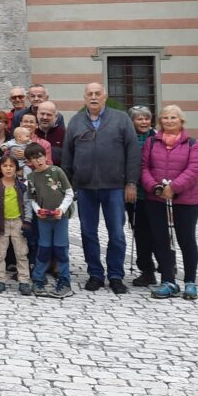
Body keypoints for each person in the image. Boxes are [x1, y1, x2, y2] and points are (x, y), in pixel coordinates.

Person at [62, 82, 139, 294]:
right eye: (90, 94)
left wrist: (131, 183)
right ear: (84, 98)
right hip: (86, 189)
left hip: (114, 187)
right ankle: (95, 274)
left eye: (98, 94)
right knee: (88, 233)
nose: (94, 97)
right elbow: (68, 156)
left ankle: (115, 275)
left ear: (105, 97)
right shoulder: (76, 121)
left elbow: (133, 152)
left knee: (116, 234)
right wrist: (69, 186)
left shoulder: (121, 119)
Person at [141, 105, 198, 300]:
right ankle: (168, 281)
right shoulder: (152, 142)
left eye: (173, 118)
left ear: (181, 121)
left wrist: (174, 187)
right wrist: (155, 187)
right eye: (165, 118)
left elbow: (194, 169)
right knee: (162, 241)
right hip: (157, 200)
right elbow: (144, 167)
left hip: (185, 201)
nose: (169, 121)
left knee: (186, 241)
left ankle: (190, 282)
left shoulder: (192, 144)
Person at [26, 143, 74, 298]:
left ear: (45, 156)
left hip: (60, 218)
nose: (38, 160)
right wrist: (37, 210)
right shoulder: (31, 177)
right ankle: (38, 278)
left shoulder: (56, 171)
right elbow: (31, 199)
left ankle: (65, 282)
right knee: (44, 248)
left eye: (40, 156)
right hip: (44, 218)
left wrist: (61, 209)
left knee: (61, 248)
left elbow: (69, 193)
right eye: (34, 158)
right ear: (29, 162)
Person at [0, 154, 31, 295]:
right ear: (0, 168)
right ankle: (0, 279)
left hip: (18, 221)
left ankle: (24, 280)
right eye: (5, 166)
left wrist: (27, 220)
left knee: (21, 252)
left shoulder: (21, 186)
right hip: (1, 222)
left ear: (16, 169)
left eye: (11, 166)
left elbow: (27, 203)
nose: (8, 169)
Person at [127, 105, 158, 287]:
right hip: (135, 195)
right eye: (139, 119)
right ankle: (147, 270)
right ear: (131, 122)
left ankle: (166, 267)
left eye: (147, 118)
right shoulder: (127, 138)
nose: (144, 121)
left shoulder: (157, 138)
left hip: (155, 194)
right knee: (140, 233)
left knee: (159, 233)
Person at [35, 101, 66, 166]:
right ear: (37, 114)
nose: (45, 117)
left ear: (56, 117)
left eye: (49, 115)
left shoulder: (64, 135)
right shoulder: (31, 134)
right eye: (42, 114)